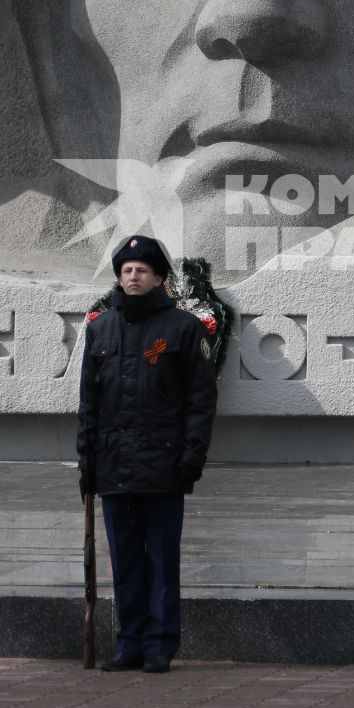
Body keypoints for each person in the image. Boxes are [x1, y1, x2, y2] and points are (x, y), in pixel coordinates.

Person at [77, 233, 218, 673]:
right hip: (114, 463)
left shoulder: (184, 329)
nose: (132, 277)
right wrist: (87, 463)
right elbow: (89, 405)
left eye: (141, 270)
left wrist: (191, 460)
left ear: (159, 278)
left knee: (161, 558)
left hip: (163, 463)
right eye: (125, 270)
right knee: (125, 560)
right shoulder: (100, 328)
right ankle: (129, 643)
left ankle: (160, 644)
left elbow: (200, 403)